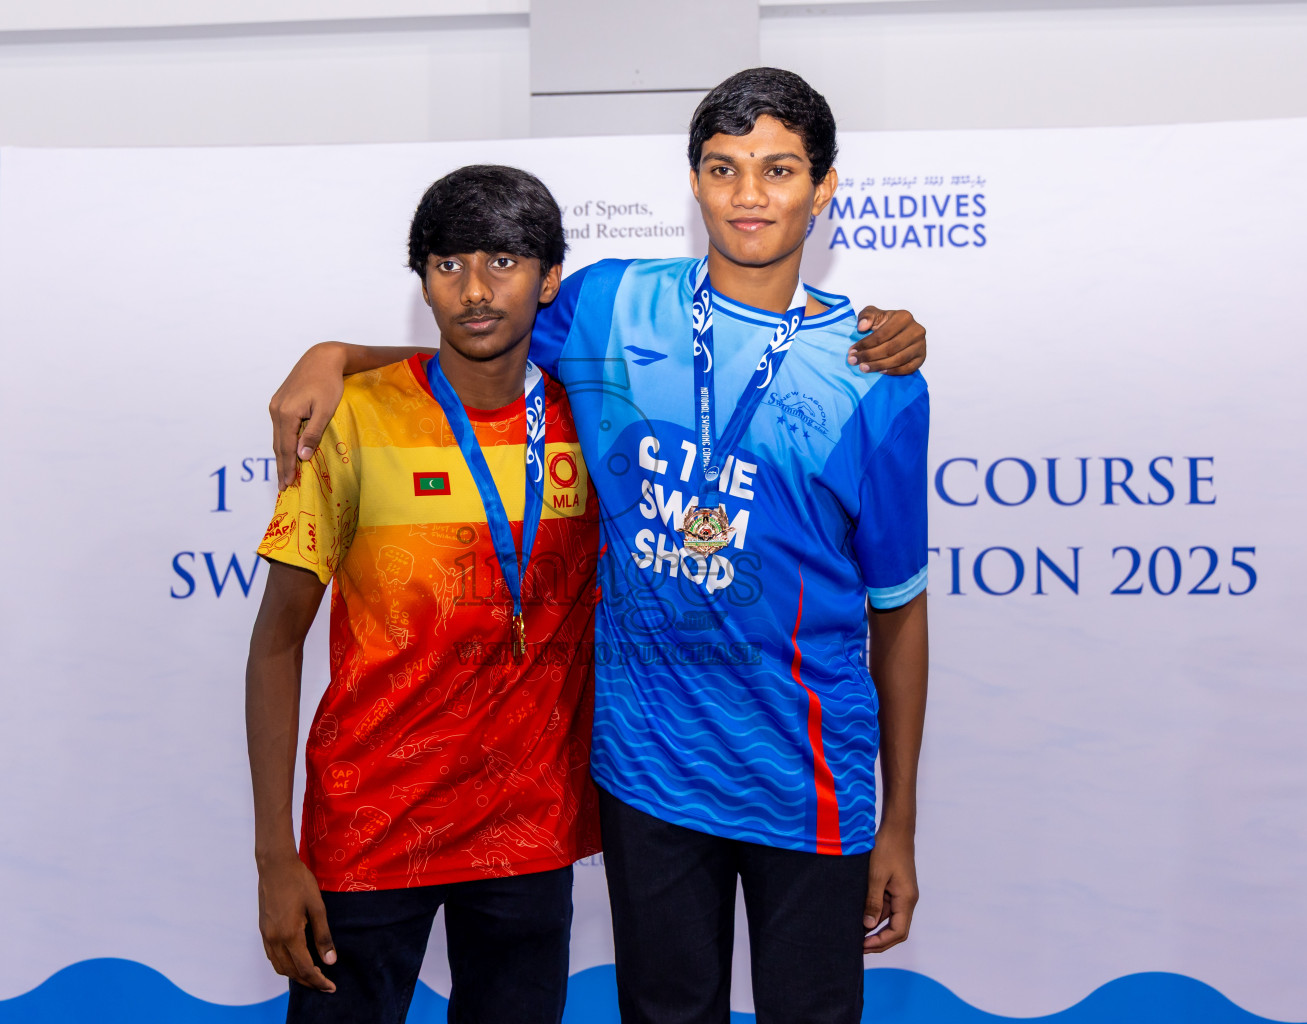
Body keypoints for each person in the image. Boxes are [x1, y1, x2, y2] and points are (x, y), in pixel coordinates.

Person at [268, 67, 929, 1024]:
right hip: (647, 778)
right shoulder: (613, 304)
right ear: (693, 182)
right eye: (724, 167)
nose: (750, 193)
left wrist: (897, 822)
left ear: (825, 190)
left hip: (809, 782)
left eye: (779, 169)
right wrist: (334, 354)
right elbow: (479, 335)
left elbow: (898, 612)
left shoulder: (879, 373)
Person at [245, 164, 601, 1024]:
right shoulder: (353, 417)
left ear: (549, 278)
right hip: (368, 826)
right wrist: (274, 857)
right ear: (424, 282)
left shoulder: (594, 417)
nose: (475, 291)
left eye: (505, 263)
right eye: (448, 266)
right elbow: (277, 641)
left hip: (529, 827)